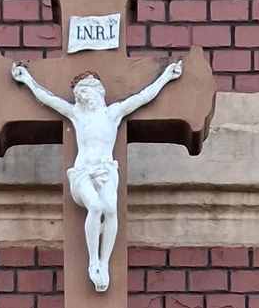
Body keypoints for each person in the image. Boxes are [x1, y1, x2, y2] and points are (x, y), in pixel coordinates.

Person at [10, 59, 184, 293]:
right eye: (79, 94)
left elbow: (144, 97)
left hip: (105, 171)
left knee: (110, 209)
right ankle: (93, 261)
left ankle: (104, 262)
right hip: (83, 172)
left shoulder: (113, 113)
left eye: (85, 92)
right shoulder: (77, 114)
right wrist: (28, 80)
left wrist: (166, 77)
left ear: (98, 91)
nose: (83, 98)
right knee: (95, 206)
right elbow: (49, 99)